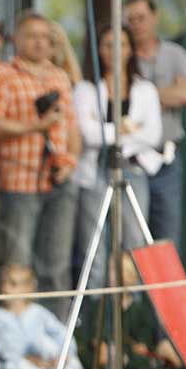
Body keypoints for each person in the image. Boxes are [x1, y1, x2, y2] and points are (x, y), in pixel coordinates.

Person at [0, 10, 78, 318]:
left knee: (57, 263)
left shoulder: (59, 76)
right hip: (19, 183)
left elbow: (72, 128)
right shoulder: (2, 74)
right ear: (16, 40)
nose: (39, 43)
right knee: (17, 266)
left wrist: (70, 160)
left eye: (45, 37)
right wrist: (36, 126)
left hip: (59, 181)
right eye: (32, 36)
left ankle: (56, 344)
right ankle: (14, 341)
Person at [73, 24, 162, 290]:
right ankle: (94, 320)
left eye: (121, 44)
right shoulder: (86, 89)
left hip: (133, 170)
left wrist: (110, 132)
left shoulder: (145, 90)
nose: (115, 51)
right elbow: (89, 135)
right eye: (108, 44)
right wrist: (127, 130)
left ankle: (131, 315)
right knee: (94, 249)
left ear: (131, 50)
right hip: (96, 171)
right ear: (99, 50)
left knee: (135, 246)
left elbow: (153, 135)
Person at [125, 0, 186, 249]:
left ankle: (165, 291)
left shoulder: (174, 54)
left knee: (167, 240)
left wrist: (144, 96)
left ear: (155, 17)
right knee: (134, 240)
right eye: (130, 19)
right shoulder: (123, 56)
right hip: (133, 160)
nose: (137, 24)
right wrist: (166, 93)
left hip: (166, 157)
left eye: (141, 17)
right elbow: (123, 103)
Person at [0, 264, 83, 369]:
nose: (6, 288)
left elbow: (62, 334)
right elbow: (5, 350)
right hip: (21, 363)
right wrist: (33, 360)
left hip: (48, 361)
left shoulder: (37, 312)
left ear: (28, 288)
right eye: (3, 283)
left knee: (73, 363)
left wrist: (62, 356)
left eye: (13, 284)